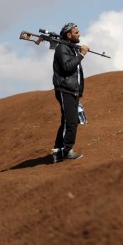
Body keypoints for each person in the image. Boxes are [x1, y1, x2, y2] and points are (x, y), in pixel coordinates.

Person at [51, 22, 90, 163]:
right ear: (69, 35)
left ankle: (57, 150)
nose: (79, 34)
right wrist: (81, 54)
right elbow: (68, 67)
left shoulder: (70, 48)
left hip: (72, 90)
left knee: (67, 121)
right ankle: (67, 151)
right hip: (65, 89)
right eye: (76, 32)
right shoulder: (62, 48)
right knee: (72, 122)